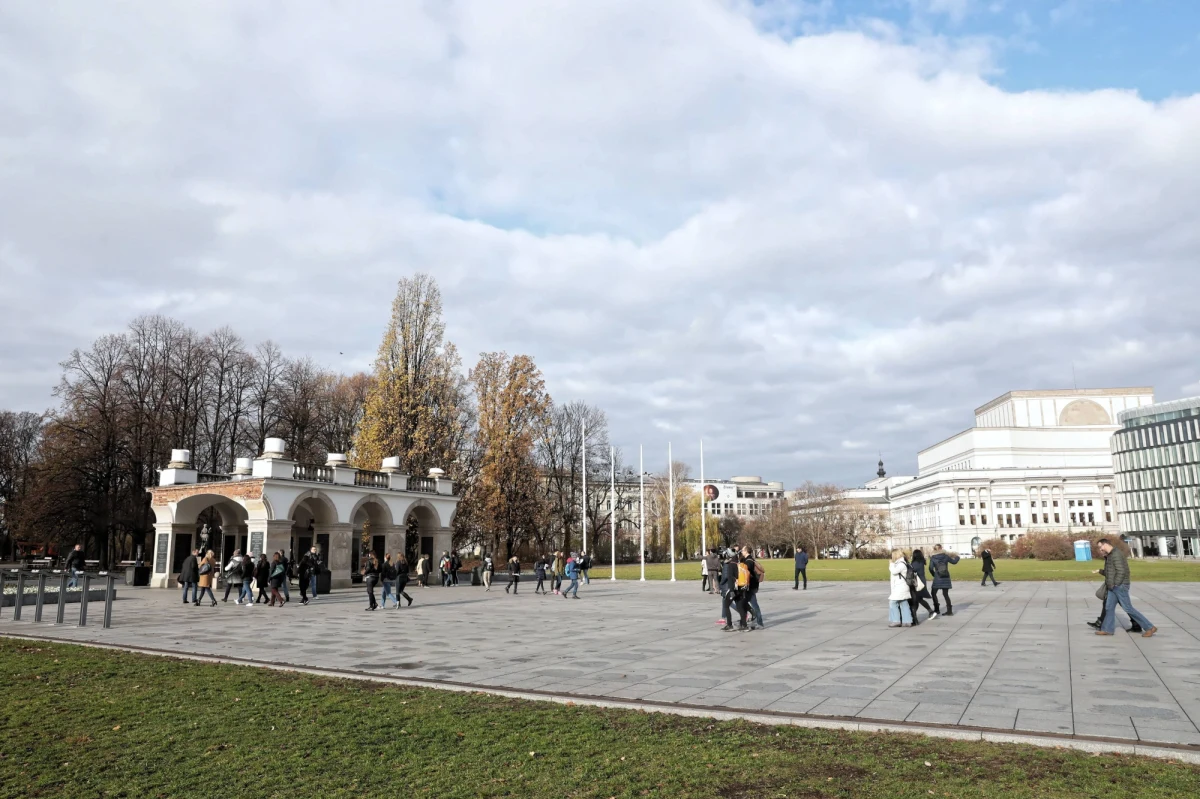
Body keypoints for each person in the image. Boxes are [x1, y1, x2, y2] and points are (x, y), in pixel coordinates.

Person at [1095, 539, 1156, 637]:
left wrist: (1116, 584)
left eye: (1100, 546)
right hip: (1112, 586)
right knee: (1109, 608)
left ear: (1105, 544)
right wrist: (1100, 571)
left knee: (1128, 608)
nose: (1100, 549)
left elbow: (1121, 571)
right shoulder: (1110, 555)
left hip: (1120, 586)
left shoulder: (1116, 555)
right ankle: (1107, 629)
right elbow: (1110, 572)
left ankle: (1149, 627)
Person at [720, 551, 750, 631]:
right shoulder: (739, 564)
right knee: (740, 607)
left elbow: (730, 578)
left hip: (733, 589)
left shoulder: (731, 565)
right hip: (740, 588)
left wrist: (731, 590)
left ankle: (729, 625)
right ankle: (744, 625)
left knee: (726, 605)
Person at [928, 544, 959, 617]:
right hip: (945, 577)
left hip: (937, 577)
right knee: (945, 594)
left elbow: (930, 568)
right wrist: (957, 557)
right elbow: (954, 562)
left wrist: (934, 574)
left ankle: (937, 609)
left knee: (933, 593)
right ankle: (949, 611)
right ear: (941, 548)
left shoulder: (933, 558)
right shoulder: (946, 556)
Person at [888, 549, 914, 628]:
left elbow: (894, 571)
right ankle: (907, 621)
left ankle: (896, 621)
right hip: (901, 586)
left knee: (893, 602)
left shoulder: (901, 564)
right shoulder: (901, 563)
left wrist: (891, 564)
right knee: (903, 602)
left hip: (900, 587)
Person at [908, 548, 935, 622]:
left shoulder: (915, 563)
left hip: (917, 582)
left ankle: (930, 611)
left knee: (917, 599)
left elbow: (912, 570)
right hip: (922, 581)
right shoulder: (921, 562)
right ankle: (913, 617)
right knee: (916, 600)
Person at [740, 546, 764, 628]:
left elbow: (748, 574)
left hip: (750, 586)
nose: (741, 551)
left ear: (746, 551)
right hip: (751, 585)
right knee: (744, 603)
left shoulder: (748, 561)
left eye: (743, 550)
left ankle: (759, 623)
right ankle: (744, 621)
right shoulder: (750, 559)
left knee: (754, 605)